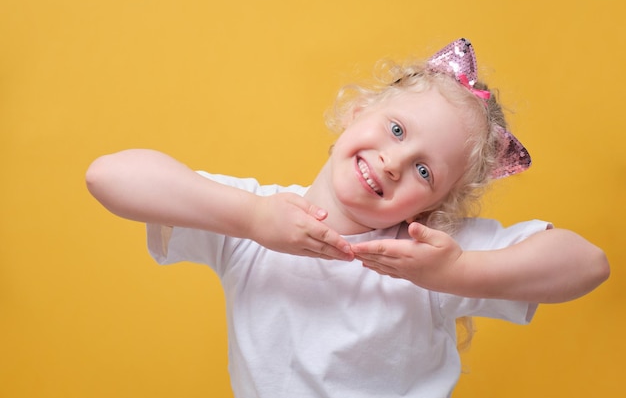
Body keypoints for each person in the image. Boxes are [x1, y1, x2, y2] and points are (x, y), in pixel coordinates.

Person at [86, 38, 609, 398]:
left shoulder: (429, 252)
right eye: (398, 130)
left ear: (435, 205)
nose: (393, 161)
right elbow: (109, 176)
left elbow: (587, 264)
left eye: (424, 170)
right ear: (358, 113)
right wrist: (249, 218)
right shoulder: (256, 217)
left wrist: (454, 274)